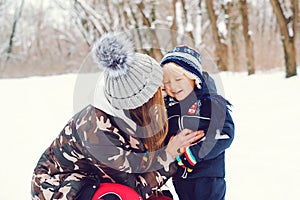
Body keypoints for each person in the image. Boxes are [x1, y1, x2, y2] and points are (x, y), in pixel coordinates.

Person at [30, 33, 204, 200]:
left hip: (98, 179)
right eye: (159, 88)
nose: (165, 90)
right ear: (144, 101)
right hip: (63, 188)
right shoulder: (97, 132)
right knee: (124, 196)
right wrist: (170, 155)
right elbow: (134, 187)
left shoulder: (131, 108)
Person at [160, 45, 235, 200]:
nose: (172, 86)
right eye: (166, 82)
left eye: (178, 79)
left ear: (193, 78)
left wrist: (195, 153)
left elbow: (225, 134)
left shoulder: (211, 104)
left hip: (209, 178)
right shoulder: (169, 110)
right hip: (181, 178)